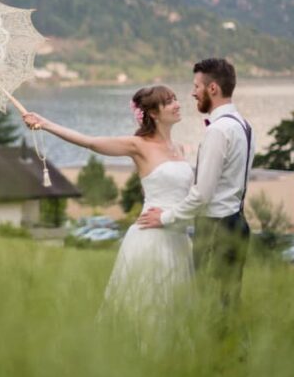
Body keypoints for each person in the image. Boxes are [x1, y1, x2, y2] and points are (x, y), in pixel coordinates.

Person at [22, 85, 194, 340]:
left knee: (178, 310)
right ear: (154, 113)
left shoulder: (180, 149)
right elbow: (90, 142)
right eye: (169, 102)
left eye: (175, 99)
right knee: (151, 309)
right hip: (151, 238)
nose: (177, 104)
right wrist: (45, 123)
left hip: (179, 238)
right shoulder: (138, 145)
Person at [136, 58, 254, 327]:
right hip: (238, 223)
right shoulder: (244, 126)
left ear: (212, 89)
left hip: (215, 229)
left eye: (196, 86)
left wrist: (165, 217)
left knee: (209, 307)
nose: (192, 93)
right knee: (229, 303)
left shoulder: (219, 131)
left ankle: (215, 363)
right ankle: (235, 361)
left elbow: (202, 194)